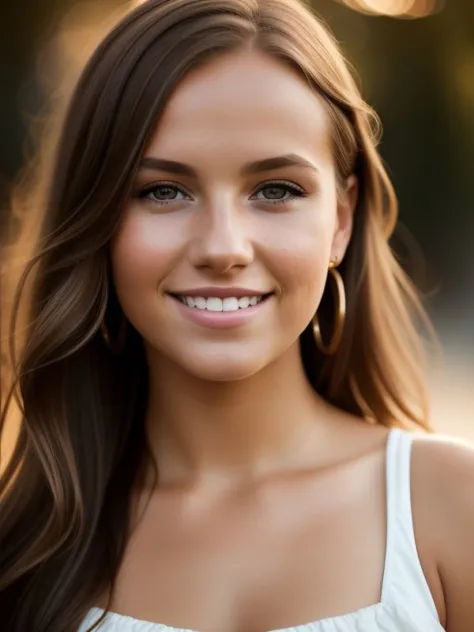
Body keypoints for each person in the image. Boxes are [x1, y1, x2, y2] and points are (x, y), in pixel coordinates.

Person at [1, 0, 473, 630]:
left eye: (276, 190)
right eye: (162, 191)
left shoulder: (451, 510)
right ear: (96, 221)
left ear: (341, 219)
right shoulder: (26, 552)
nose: (223, 247)